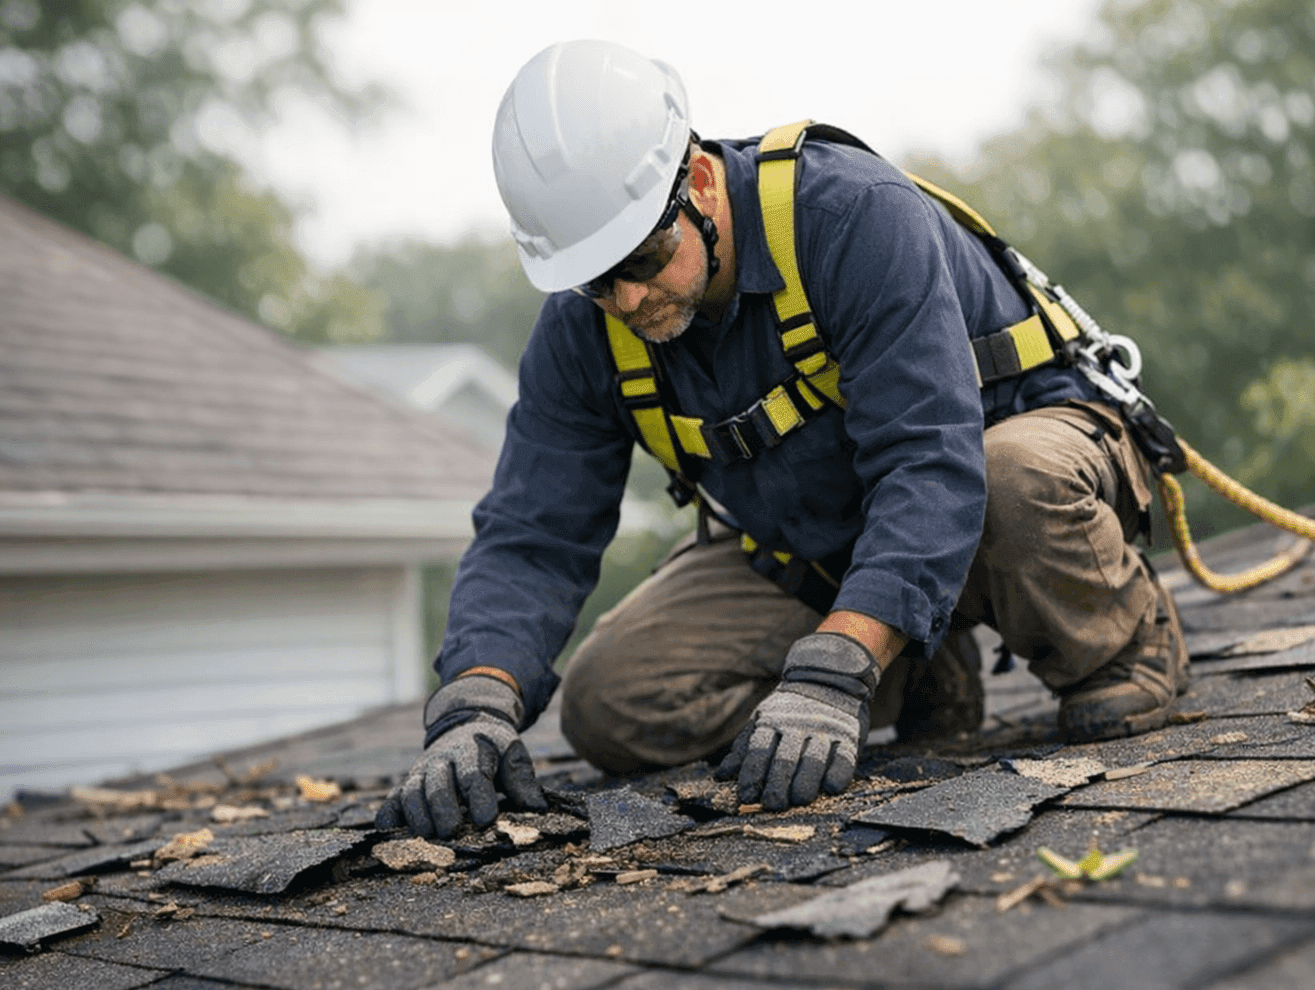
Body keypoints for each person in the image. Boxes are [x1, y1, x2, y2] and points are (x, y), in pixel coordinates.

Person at [377, 40, 1188, 839]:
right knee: (613, 702)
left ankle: (1118, 643)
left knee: (1009, 478)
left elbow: (929, 464)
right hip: (822, 540)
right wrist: (476, 702)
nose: (626, 298)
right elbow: (532, 534)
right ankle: (910, 660)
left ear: (697, 181)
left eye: (644, 256)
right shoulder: (585, 329)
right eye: (596, 278)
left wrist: (832, 670)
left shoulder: (852, 218)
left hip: (1003, 466)